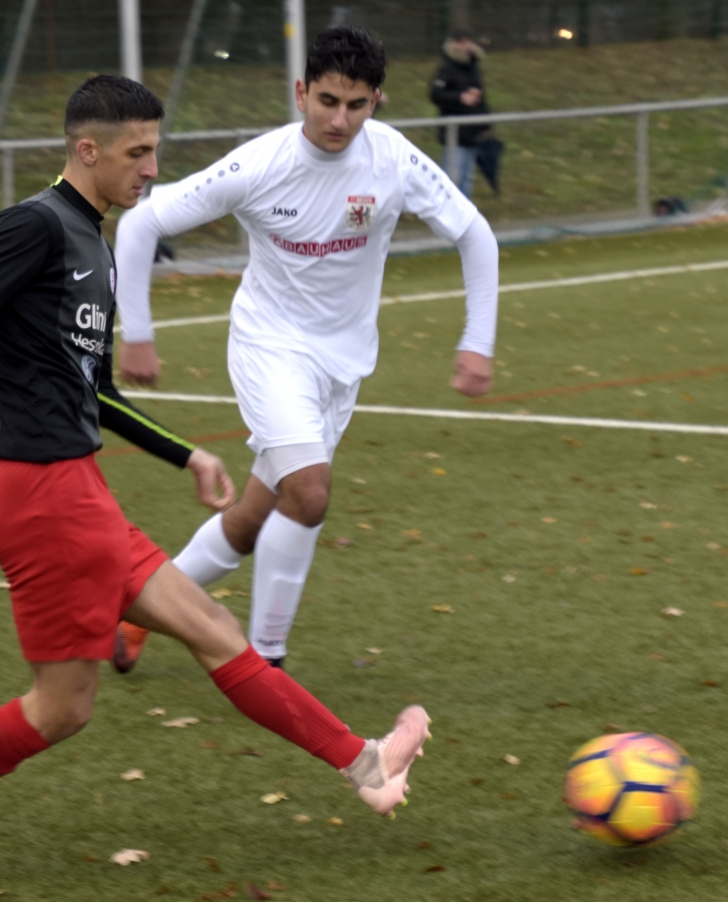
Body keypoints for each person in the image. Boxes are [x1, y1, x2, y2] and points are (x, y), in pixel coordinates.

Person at [0, 74, 431, 874]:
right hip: (41, 497)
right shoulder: (35, 227)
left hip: (75, 489)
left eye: (155, 150)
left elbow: (97, 392)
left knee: (213, 631)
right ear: (88, 150)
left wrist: (186, 454)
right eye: (138, 152)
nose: (151, 168)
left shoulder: (95, 241)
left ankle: (366, 764)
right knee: (62, 708)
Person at [112, 27, 498, 672]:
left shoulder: (394, 160)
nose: (338, 119)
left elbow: (474, 233)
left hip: (343, 364)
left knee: (251, 519)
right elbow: (142, 220)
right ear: (300, 93)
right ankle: (265, 662)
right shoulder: (261, 165)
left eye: (355, 105)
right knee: (310, 494)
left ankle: (138, 609)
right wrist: (139, 332)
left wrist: (477, 341)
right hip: (270, 349)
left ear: (377, 100)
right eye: (325, 101)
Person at [429, 28, 491, 199]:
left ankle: (464, 215)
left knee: (466, 178)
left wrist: (486, 124)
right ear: (453, 44)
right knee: (451, 177)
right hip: (454, 132)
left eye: (467, 41)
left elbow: (481, 97)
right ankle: (446, 211)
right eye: (461, 41)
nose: (465, 46)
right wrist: (460, 98)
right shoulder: (446, 69)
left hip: (472, 131)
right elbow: (435, 95)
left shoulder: (474, 68)